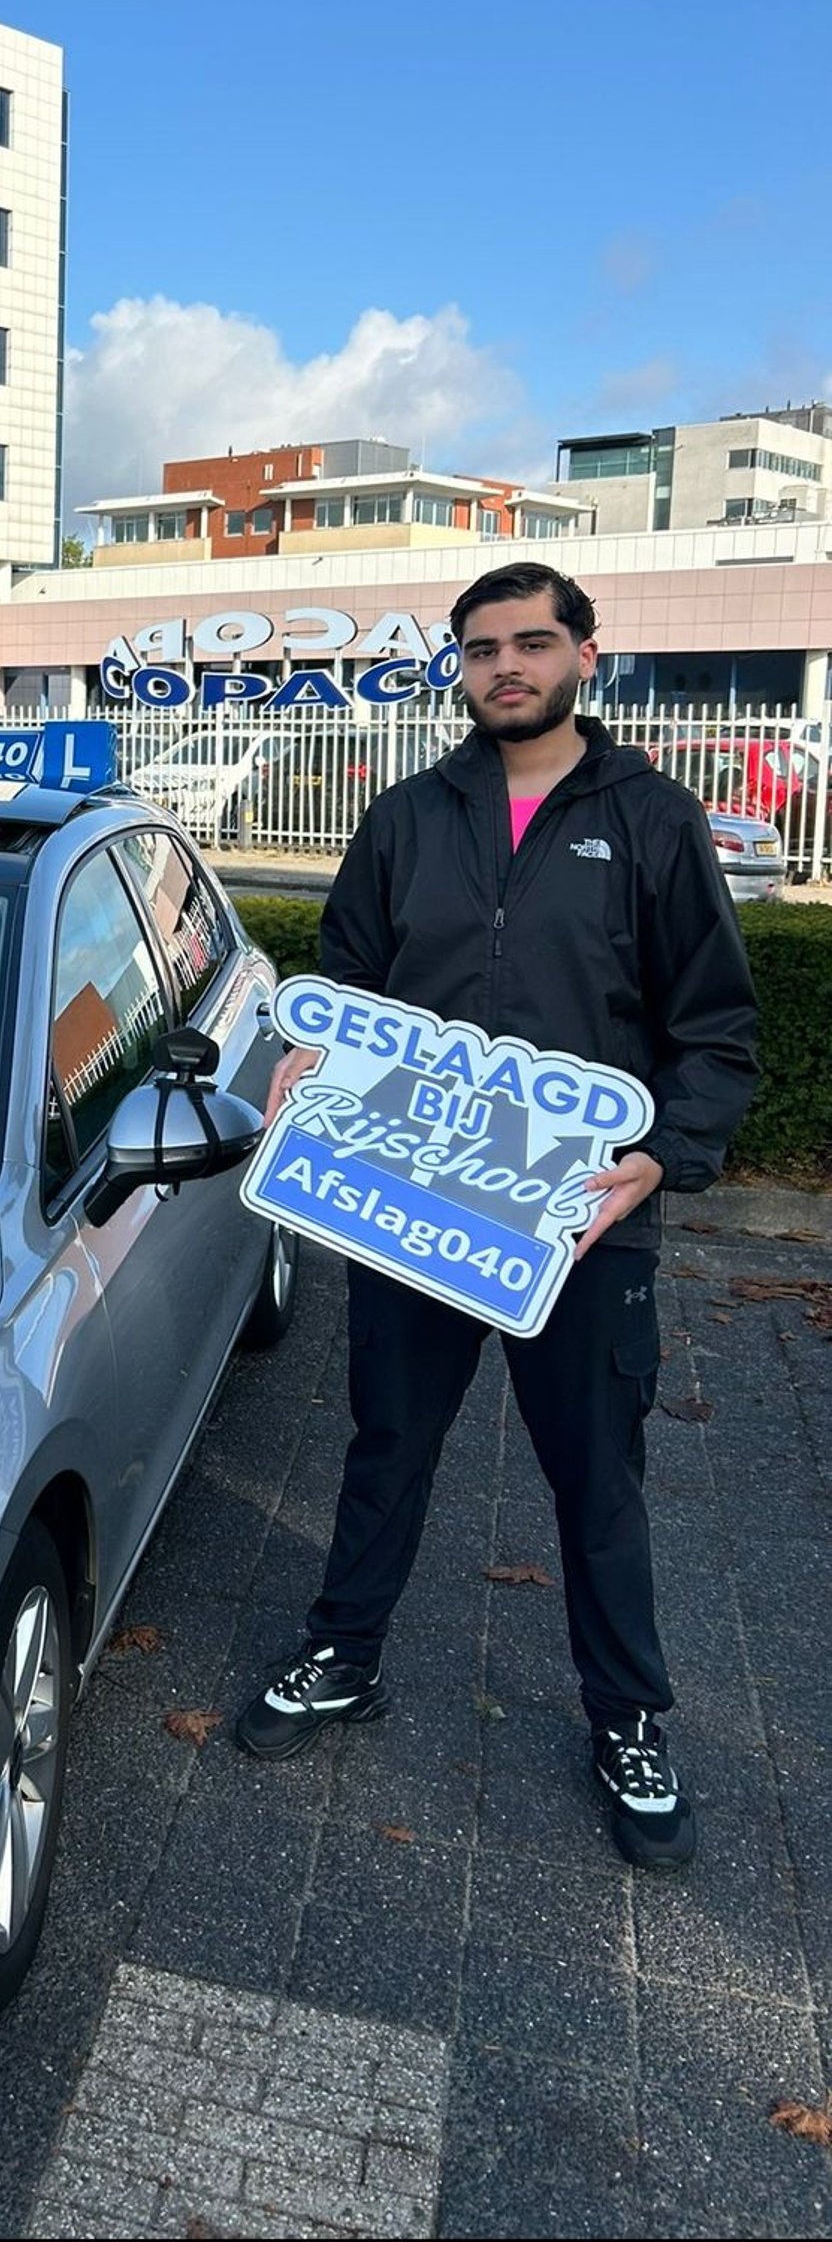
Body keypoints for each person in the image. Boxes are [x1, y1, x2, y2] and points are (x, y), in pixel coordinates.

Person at [233, 563, 759, 1871]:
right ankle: (344, 1656)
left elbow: (716, 1034)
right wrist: (301, 1059)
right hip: (415, 1213)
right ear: (458, 668)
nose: (505, 667)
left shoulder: (651, 821)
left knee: (598, 1485)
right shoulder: (410, 816)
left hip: (580, 1226)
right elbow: (343, 981)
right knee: (387, 1447)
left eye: (531, 644)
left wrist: (665, 1158)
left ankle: (629, 1720)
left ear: (588, 654)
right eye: (481, 650)